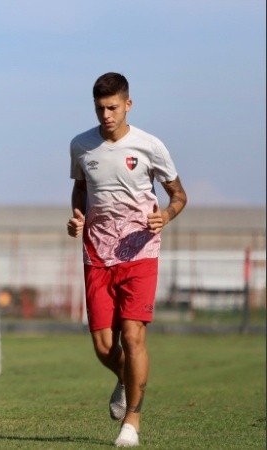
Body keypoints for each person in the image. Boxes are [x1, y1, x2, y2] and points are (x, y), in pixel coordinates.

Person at [67, 72, 188, 447]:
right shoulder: (81, 146)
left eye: (113, 107)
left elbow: (179, 195)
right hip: (96, 254)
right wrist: (77, 217)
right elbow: (80, 188)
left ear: (128, 105)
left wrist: (165, 215)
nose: (106, 115)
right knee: (105, 347)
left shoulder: (150, 146)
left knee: (133, 337)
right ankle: (126, 378)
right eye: (100, 108)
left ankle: (132, 423)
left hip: (140, 252)